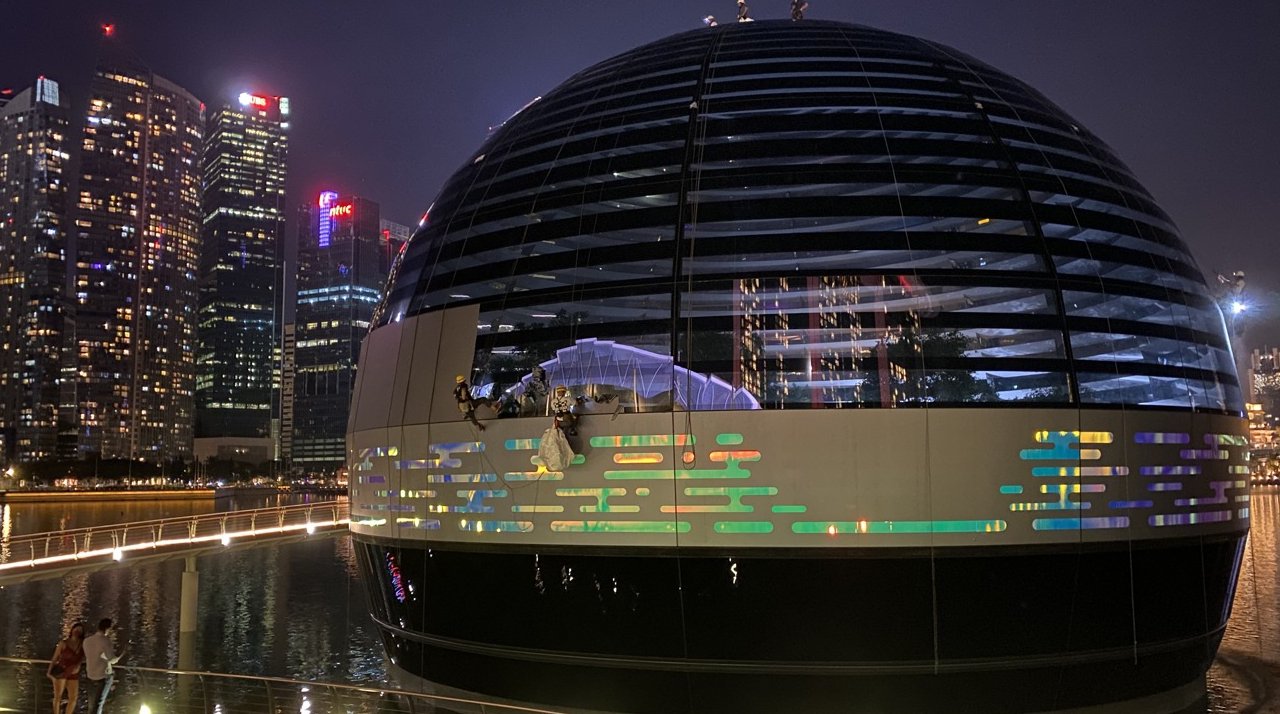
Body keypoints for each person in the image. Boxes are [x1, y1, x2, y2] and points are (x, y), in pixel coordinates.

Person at [82, 618, 126, 714]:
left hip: (90, 675)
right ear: (108, 629)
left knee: (91, 704)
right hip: (103, 676)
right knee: (99, 704)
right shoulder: (105, 641)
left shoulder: (87, 641)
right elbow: (111, 659)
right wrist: (120, 656)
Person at [46, 622, 85, 714]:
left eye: (80, 631)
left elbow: (84, 657)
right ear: (72, 630)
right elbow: (55, 658)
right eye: (76, 629)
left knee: (73, 698)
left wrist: (79, 664)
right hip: (61, 671)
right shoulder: (63, 643)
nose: (77, 632)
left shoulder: (83, 645)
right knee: (58, 696)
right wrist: (49, 671)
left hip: (73, 672)